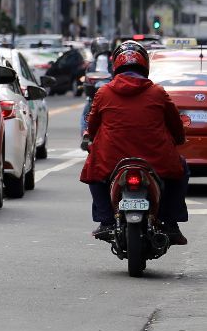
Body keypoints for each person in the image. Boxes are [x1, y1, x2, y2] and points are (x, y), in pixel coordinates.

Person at [80, 40, 189, 246]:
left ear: (116, 67)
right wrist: (179, 139)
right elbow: (175, 123)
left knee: (92, 170)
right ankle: (171, 223)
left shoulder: (103, 92)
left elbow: (92, 125)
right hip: (156, 158)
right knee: (181, 168)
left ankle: (105, 220)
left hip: (111, 159)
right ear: (144, 66)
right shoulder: (158, 92)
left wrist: (90, 137)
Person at [80, 38, 113, 135]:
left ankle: (85, 131)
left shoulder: (91, 65)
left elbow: (87, 80)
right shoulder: (114, 63)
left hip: (96, 96)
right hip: (110, 95)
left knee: (85, 113)